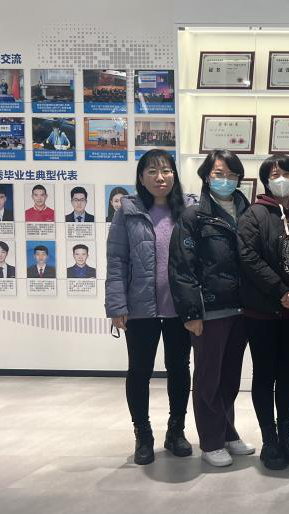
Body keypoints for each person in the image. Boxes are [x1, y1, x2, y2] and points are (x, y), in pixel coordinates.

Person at [105, 149, 193, 465]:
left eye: (166, 170)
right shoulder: (127, 211)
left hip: (179, 306)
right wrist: (116, 305)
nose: (160, 177)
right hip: (140, 308)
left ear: (174, 175)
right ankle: (143, 434)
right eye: (152, 171)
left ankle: (176, 430)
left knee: (179, 368)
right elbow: (116, 260)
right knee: (139, 370)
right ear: (141, 178)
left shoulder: (188, 210)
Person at [169, 149, 254, 468]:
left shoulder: (249, 212)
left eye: (232, 175)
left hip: (242, 310)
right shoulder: (194, 216)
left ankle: (228, 432)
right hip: (210, 311)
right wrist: (191, 313)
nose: (225, 180)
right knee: (208, 377)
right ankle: (211, 440)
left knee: (230, 377)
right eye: (219, 174)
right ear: (206, 176)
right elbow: (182, 267)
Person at [238, 154, 289, 471]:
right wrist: (281, 291)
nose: (281, 178)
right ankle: (269, 440)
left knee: (288, 372)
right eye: (274, 174)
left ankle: (286, 436)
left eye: (286, 173)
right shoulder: (253, 214)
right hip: (260, 310)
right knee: (264, 373)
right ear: (265, 181)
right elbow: (248, 257)